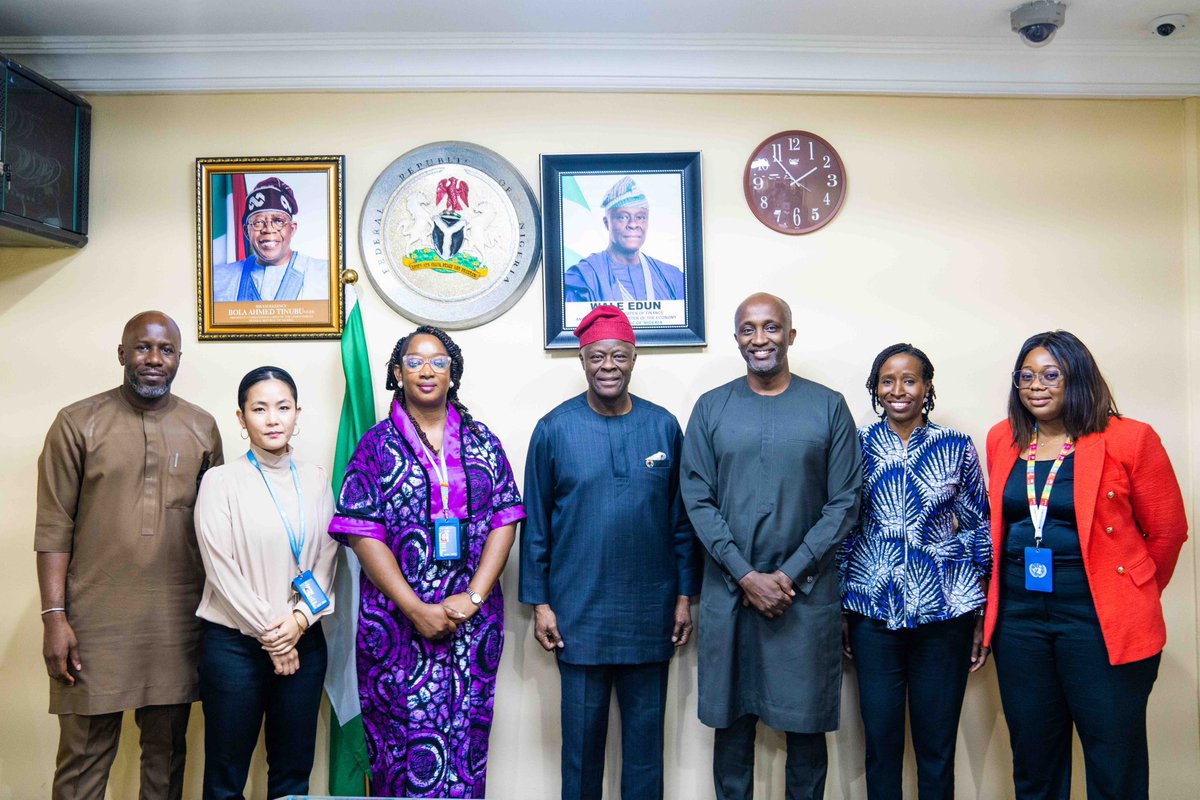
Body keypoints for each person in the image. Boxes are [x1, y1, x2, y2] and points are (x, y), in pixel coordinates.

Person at [983, 330, 1187, 800]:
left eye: (1051, 375)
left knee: (1113, 759)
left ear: (1077, 379)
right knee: (1034, 755)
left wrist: (1132, 595)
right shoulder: (1003, 438)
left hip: (1099, 617)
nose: (1036, 385)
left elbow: (1169, 531)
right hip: (1020, 619)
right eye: (1026, 375)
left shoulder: (1131, 438)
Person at [329, 326, 525, 798]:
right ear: (397, 373)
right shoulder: (375, 447)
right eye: (414, 361)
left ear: (453, 373)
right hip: (396, 626)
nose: (427, 370)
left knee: (465, 746)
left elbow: (505, 518)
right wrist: (415, 607)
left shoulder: (483, 441)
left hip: (470, 627)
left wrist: (474, 597)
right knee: (401, 751)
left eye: (438, 361)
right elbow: (361, 534)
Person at [35, 311, 223, 800]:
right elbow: (54, 526)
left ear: (179, 358)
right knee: (82, 763)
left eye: (166, 350)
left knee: (166, 760)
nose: (154, 359)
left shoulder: (202, 427)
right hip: (93, 622)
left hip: (175, 621)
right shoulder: (77, 423)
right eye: (143, 348)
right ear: (122, 354)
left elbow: (219, 529)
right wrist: (54, 617)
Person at [680, 292, 862, 800]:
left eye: (771, 327)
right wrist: (744, 575)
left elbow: (845, 502)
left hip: (803, 600)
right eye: (748, 329)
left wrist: (787, 575)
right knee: (732, 730)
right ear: (737, 337)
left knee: (805, 734)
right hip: (730, 595)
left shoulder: (828, 407)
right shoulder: (711, 408)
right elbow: (697, 498)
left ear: (791, 335)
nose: (760, 339)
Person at [520, 305, 701, 800]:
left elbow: (681, 521)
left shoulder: (663, 427)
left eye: (618, 355)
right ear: (582, 360)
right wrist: (541, 603)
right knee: (580, 753)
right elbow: (535, 523)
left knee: (646, 755)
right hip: (577, 616)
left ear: (633, 357)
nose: (608, 366)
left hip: (651, 613)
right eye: (597, 356)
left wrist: (686, 595)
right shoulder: (554, 429)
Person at [838, 343, 991, 800]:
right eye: (887, 380)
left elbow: (980, 526)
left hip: (945, 614)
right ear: (875, 389)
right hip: (873, 614)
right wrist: (843, 609)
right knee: (881, 748)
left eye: (909, 380)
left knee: (936, 748)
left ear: (927, 388)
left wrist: (981, 608)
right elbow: (845, 527)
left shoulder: (956, 445)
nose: (898, 390)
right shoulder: (856, 445)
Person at [193, 366, 338, 799]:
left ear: (297, 414)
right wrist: (275, 636)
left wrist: (297, 622)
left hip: (305, 642)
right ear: (241, 418)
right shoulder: (220, 482)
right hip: (234, 648)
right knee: (225, 775)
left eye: (283, 407)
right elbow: (220, 570)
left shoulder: (315, 479)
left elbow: (328, 558)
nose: (273, 419)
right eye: (259, 409)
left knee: (293, 775)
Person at [563, 176, 685, 303]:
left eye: (641, 217)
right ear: (606, 223)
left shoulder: (672, 278)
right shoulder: (584, 278)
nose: (633, 224)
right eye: (623, 217)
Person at [212, 176, 330, 302]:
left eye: (278, 221)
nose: (268, 229)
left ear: (292, 228)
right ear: (247, 231)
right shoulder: (218, 279)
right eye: (258, 222)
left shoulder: (326, 275)